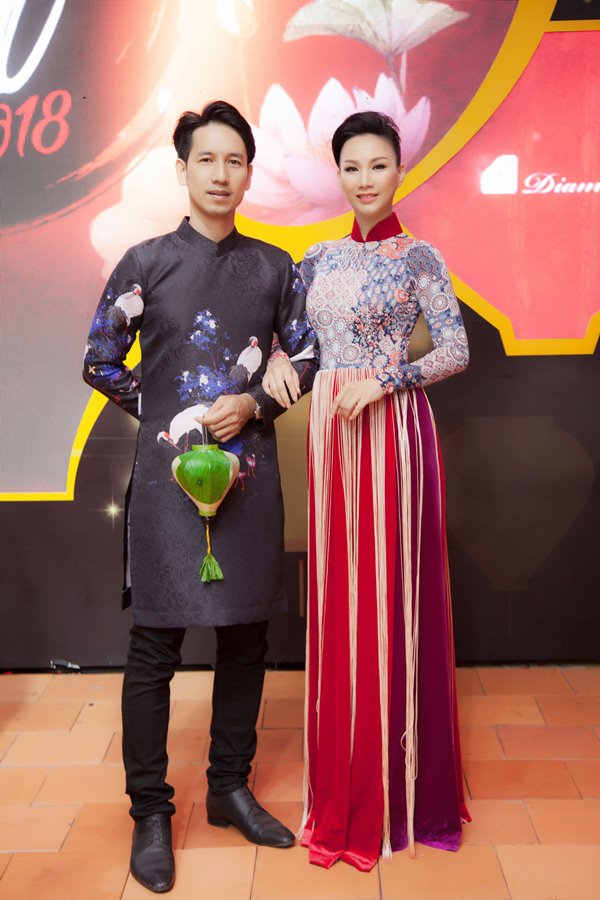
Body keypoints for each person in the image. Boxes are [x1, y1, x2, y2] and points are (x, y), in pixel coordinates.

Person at [83, 101, 317, 893]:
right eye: (206, 159)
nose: (221, 174)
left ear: (250, 172)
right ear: (181, 169)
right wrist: (166, 417)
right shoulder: (145, 262)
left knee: (247, 638)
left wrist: (254, 404)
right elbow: (100, 359)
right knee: (154, 648)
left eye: (235, 160)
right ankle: (150, 811)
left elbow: (307, 354)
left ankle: (229, 788)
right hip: (166, 485)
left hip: (249, 476)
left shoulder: (276, 267)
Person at [263, 111, 470, 872]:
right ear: (338, 174)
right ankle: (345, 768)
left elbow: (455, 348)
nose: (364, 180)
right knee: (341, 593)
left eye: (377, 165)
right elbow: (291, 340)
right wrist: (273, 358)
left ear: (399, 171)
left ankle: (398, 782)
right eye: (351, 167)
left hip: (393, 433)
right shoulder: (314, 258)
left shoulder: (420, 256)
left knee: (390, 594)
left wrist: (387, 379)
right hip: (329, 434)